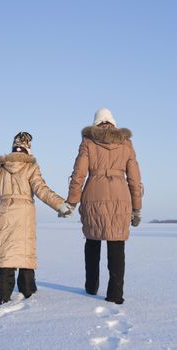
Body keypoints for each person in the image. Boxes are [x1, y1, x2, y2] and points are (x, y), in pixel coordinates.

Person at [66, 108, 143, 304]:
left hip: (93, 195)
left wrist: (72, 201)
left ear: (96, 122)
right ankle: (115, 294)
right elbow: (134, 179)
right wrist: (136, 208)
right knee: (116, 244)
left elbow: (78, 174)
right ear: (113, 122)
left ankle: (91, 287)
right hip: (120, 197)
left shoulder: (88, 142)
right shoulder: (126, 143)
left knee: (92, 241)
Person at [0, 131, 71, 305]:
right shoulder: (31, 167)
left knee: (6, 253)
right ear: (28, 149)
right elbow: (41, 189)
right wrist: (60, 204)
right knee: (25, 250)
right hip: (24, 212)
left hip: (3, 212)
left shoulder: (0, 168)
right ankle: (28, 289)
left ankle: (2, 295)